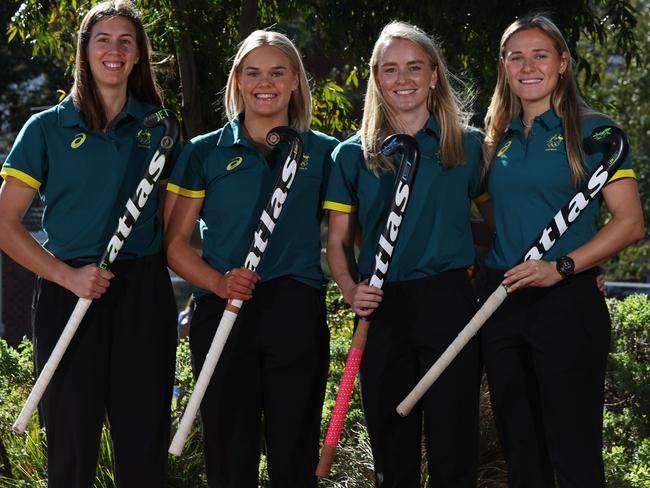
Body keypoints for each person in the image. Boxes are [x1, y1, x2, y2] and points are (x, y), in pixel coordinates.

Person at [0, 1, 178, 486]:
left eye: (126, 41)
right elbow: (5, 223)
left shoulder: (160, 128)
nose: (115, 50)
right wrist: (65, 275)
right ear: (85, 49)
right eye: (103, 39)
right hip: (68, 289)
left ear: (139, 54)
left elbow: (176, 224)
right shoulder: (45, 129)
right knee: (72, 449)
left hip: (142, 292)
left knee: (143, 447)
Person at [164, 30, 337, 487]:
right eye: (254, 72)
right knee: (228, 453)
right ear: (238, 80)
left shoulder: (324, 153)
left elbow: (345, 234)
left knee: (294, 452)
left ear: (296, 80)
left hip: (295, 307)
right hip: (223, 309)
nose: (267, 83)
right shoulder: (204, 151)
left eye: (278, 72)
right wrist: (218, 283)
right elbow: (175, 244)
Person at [480, 14, 644, 488]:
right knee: (521, 456)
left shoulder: (595, 132)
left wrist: (564, 266)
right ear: (505, 66)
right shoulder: (495, 136)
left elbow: (630, 223)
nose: (528, 66)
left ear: (563, 63)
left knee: (572, 458)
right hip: (503, 301)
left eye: (540, 55)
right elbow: (497, 219)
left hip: (565, 300)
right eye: (517, 57)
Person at [324, 21, 487, 488]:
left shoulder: (469, 145)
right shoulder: (351, 155)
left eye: (415, 67)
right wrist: (351, 288)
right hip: (382, 307)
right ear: (376, 77)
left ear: (434, 74)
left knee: (453, 450)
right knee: (392, 456)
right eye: (391, 69)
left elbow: (497, 225)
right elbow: (338, 241)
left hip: (450, 304)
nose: (404, 79)